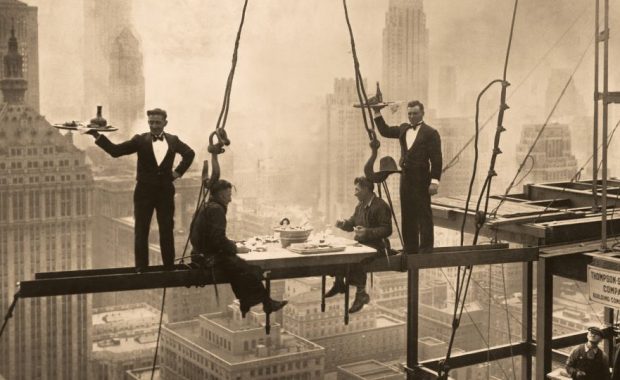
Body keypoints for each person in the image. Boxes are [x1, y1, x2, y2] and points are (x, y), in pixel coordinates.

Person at [84, 108, 195, 272]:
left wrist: (177, 173)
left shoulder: (173, 140)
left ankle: (169, 267)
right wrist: (96, 136)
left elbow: (189, 153)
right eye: (151, 122)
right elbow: (115, 151)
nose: (154, 126)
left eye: (157, 122)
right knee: (141, 229)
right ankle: (141, 268)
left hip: (165, 191)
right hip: (144, 192)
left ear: (165, 123)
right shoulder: (140, 140)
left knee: (166, 229)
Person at [189, 179, 287, 317]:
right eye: (228, 195)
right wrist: (235, 248)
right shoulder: (217, 210)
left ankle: (250, 302)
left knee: (238, 267)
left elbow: (211, 237)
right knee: (250, 268)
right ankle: (263, 302)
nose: (230, 199)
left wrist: (231, 244)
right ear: (222, 195)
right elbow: (218, 239)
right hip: (208, 257)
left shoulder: (206, 206)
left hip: (200, 254)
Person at [372, 100, 442, 254]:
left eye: (415, 113)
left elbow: (436, 160)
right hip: (406, 178)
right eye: (409, 113)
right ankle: (410, 247)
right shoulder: (404, 129)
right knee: (407, 212)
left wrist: (434, 182)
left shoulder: (431, 133)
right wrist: (377, 112)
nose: (412, 117)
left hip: (422, 178)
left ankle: (426, 248)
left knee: (423, 213)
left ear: (422, 113)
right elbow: (384, 131)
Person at [327, 176, 392, 313]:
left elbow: (387, 229)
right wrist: (343, 224)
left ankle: (361, 294)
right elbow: (352, 224)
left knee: (356, 257)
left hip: (377, 246)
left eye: (357, 190)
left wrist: (367, 232)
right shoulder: (360, 205)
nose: (355, 193)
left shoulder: (381, 206)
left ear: (366, 189)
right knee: (340, 251)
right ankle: (339, 283)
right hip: (363, 244)